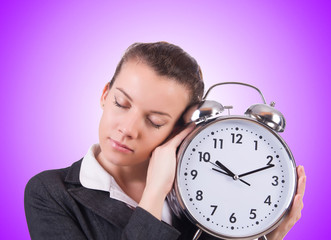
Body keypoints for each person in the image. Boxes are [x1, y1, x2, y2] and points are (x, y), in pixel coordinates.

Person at [24, 42, 306, 240]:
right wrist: (153, 195)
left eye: (155, 121)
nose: (127, 129)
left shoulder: (203, 199)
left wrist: (264, 238)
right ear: (104, 94)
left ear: (178, 130)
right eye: (121, 103)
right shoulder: (50, 192)